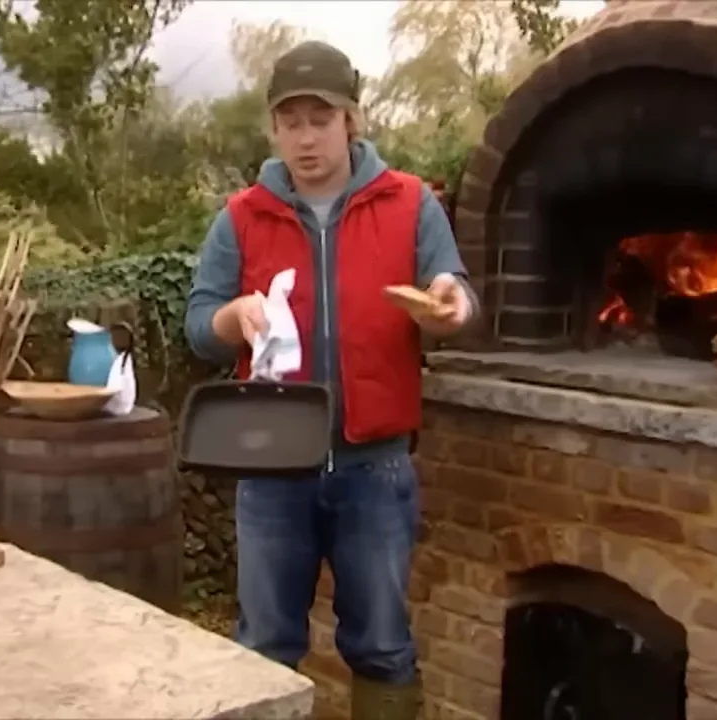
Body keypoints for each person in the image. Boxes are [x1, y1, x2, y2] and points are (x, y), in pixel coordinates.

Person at [184, 40, 478, 720]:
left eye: (321, 119)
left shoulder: (409, 204)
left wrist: (450, 302)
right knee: (263, 646)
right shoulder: (241, 216)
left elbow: (455, 290)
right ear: (274, 129)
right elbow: (198, 324)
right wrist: (233, 316)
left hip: (375, 470)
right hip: (269, 468)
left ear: (351, 120)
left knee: (382, 646)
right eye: (291, 122)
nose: (306, 137)